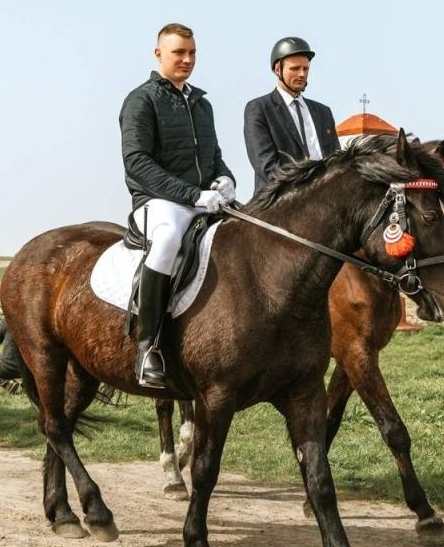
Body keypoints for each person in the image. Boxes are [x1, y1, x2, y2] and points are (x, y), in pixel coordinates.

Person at [119, 23, 236, 387]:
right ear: (159, 54)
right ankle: (147, 347)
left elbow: (214, 157)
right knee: (168, 238)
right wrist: (192, 195)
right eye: (178, 53)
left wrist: (226, 179)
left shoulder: (202, 103)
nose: (187, 59)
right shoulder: (141, 100)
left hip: (204, 199)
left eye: (192, 53)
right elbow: (137, 162)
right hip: (157, 202)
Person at [242, 36, 340, 189]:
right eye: (295, 68)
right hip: (279, 205)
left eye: (305, 68)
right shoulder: (259, 109)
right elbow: (267, 168)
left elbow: (336, 161)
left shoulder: (323, 112)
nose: (302, 74)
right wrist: (308, 190)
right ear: (277, 69)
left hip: (325, 202)